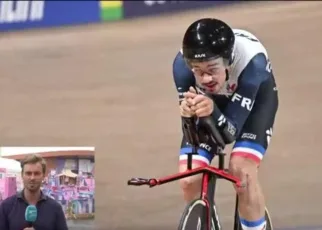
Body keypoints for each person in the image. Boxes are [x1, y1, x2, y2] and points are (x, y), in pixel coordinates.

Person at [173, 18, 278, 230]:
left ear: (228, 60)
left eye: (212, 68)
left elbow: (230, 133)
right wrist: (187, 115)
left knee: (242, 172)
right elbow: (192, 132)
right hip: (212, 103)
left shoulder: (253, 65)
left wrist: (212, 110)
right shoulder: (181, 68)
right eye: (198, 70)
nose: (205, 78)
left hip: (256, 102)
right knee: (189, 179)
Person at [0, 154, 68, 230]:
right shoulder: (6, 206)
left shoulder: (55, 208)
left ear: (43, 176)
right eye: (28, 173)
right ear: (22, 175)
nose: (32, 178)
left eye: (36, 173)